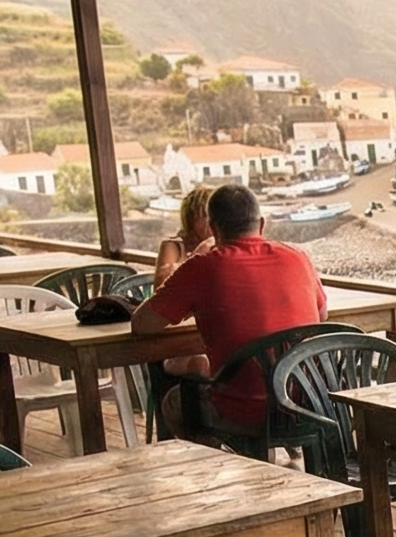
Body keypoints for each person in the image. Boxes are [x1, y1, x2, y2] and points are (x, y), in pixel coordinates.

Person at [132, 182, 325, 433]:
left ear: (213, 228)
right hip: (305, 405)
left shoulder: (201, 268)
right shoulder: (298, 257)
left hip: (242, 413)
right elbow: (321, 316)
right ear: (262, 224)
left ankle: (219, 464)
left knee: (175, 402)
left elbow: (141, 324)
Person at [154, 183, 215, 283]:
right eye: (205, 216)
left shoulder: (225, 243)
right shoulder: (173, 246)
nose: (211, 222)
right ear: (191, 219)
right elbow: (161, 289)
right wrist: (198, 254)